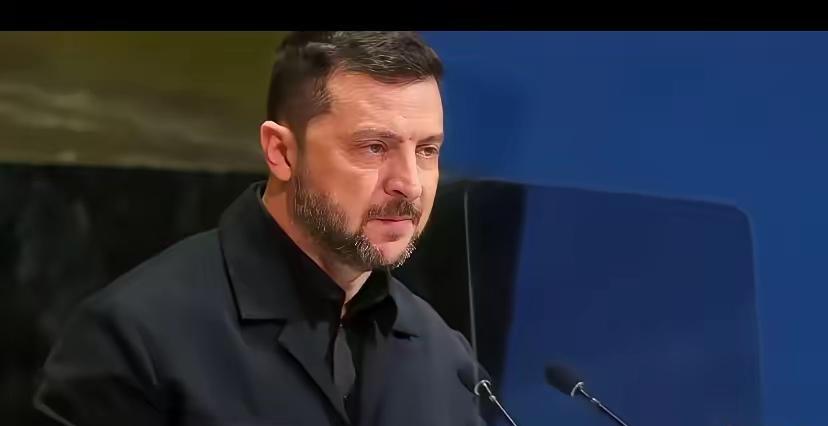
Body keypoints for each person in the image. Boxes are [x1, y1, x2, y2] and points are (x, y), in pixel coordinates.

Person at [32, 31, 485, 426]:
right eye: (374, 147)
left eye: (427, 150)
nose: (409, 183)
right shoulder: (134, 340)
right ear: (281, 152)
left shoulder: (445, 358)